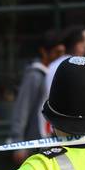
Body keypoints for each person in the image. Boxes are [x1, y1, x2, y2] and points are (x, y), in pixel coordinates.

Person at [8, 29, 63, 162]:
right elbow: (22, 108)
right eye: (57, 52)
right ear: (44, 52)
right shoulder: (35, 75)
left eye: (62, 52)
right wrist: (17, 143)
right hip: (36, 144)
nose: (60, 56)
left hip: (52, 141)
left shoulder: (55, 73)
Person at [38, 24, 85, 136]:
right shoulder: (71, 67)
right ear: (79, 46)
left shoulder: (56, 64)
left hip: (60, 129)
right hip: (68, 131)